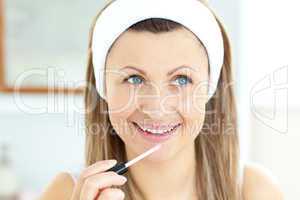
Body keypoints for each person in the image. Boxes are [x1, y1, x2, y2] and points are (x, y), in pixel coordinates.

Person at [39, 0, 284, 199]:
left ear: (211, 88)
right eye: (134, 79)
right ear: (102, 88)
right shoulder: (64, 193)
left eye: (181, 79)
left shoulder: (255, 191)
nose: (156, 109)